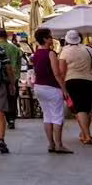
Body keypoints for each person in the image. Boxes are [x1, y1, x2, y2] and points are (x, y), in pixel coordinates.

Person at [29, 27, 72, 155]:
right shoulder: (51, 53)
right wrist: (64, 89)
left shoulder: (36, 53)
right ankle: (59, 144)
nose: (52, 39)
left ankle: (51, 144)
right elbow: (57, 73)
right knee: (58, 116)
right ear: (45, 39)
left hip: (39, 87)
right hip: (52, 87)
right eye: (50, 36)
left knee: (47, 116)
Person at [58, 30, 92, 146]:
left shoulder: (64, 51)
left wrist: (62, 87)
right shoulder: (88, 49)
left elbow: (62, 71)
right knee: (86, 109)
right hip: (89, 80)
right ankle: (85, 132)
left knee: (79, 109)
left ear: (67, 39)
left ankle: (86, 135)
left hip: (72, 81)